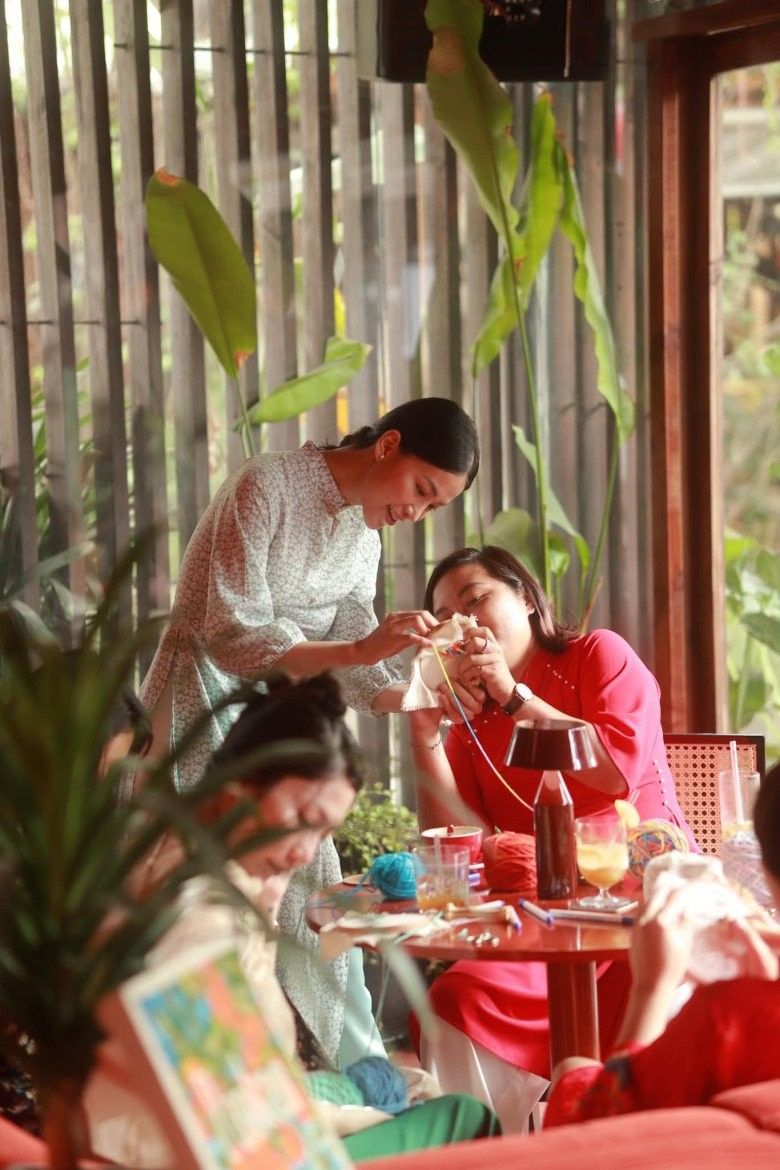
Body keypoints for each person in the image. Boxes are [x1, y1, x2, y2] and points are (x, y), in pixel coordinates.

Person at [135, 397, 479, 1068]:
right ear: (388, 445)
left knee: (308, 901)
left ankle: (341, 1076)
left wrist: (417, 690)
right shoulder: (266, 485)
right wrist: (362, 651)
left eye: (433, 507)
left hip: (281, 732)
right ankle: (208, 1075)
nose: (416, 513)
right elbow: (231, 632)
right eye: (420, 490)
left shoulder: (364, 534)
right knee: (202, 897)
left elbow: (355, 646)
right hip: (200, 715)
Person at [83, 673, 500, 1167]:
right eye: (302, 817)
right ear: (239, 789)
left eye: (322, 832)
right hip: (204, 1151)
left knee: (404, 1084)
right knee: (464, 1115)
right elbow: (224, 1122)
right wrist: (359, 1118)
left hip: (193, 1129)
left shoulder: (183, 854)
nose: (305, 852)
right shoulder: (200, 910)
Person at [405, 545, 697, 1132]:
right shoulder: (474, 715)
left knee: (676, 994)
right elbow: (460, 839)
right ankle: (492, 1152)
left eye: (476, 599)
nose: (463, 622)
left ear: (527, 600)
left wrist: (512, 693)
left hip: (643, 903)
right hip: (542, 915)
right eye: (447, 616)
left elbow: (614, 771)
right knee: (455, 1003)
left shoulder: (599, 654)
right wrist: (425, 731)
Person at [544, 764, 780, 1126]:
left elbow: (604, 1122)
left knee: (571, 1070)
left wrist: (651, 989)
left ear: (762, 866)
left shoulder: (725, 1012)